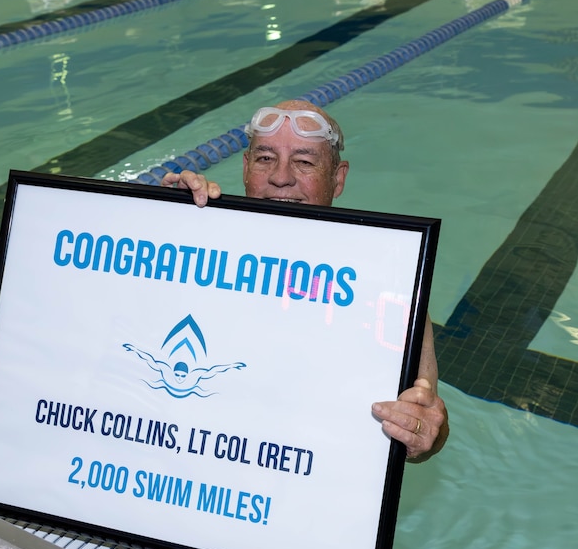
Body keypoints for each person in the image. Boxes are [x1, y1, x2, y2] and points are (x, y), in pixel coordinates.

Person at [162, 100, 448, 461]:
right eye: (266, 158)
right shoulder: (199, 253)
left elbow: (425, 423)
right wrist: (163, 220)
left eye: (304, 161)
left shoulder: (390, 282)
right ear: (246, 168)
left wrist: (425, 432)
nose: (282, 177)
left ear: (338, 178)